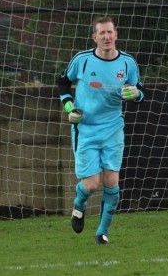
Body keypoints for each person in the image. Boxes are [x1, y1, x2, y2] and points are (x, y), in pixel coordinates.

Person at [57, 16, 145, 245]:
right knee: (91, 184)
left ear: (116, 35)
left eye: (110, 32)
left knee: (112, 182)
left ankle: (102, 233)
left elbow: (139, 91)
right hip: (85, 128)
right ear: (94, 37)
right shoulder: (82, 60)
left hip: (113, 128)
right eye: (101, 33)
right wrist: (70, 107)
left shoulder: (128, 63)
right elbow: (63, 83)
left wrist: (136, 94)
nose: (106, 37)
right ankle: (79, 205)